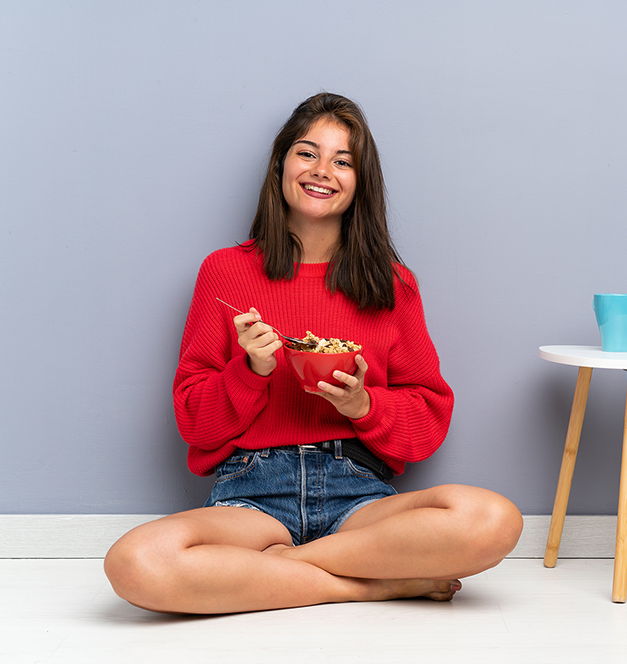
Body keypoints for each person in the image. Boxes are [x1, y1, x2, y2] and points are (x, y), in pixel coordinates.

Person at [104, 93, 523, 614]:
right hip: (252, 495)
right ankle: (373, 584)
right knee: (135, 562)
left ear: (359, 182)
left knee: (493, 518)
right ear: (281, 163)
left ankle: (280, 573)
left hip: (359, 493)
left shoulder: (393, 285)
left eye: (343, 161)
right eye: (307, 153)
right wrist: (250, 370)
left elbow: (429, 417)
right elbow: (193, 421)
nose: (322, 170)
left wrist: (363, 406)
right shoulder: (225, 272)